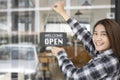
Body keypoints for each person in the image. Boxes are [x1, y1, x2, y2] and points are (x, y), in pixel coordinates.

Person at [51, 1, 120, 80]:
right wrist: (63, 13)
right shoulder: (104, 52)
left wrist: (60, 54)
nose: (98, 38)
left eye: (104, 34)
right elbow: (84, 36)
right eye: (95, 33)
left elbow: (74, 76)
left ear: (113, 36)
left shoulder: (109, 61)